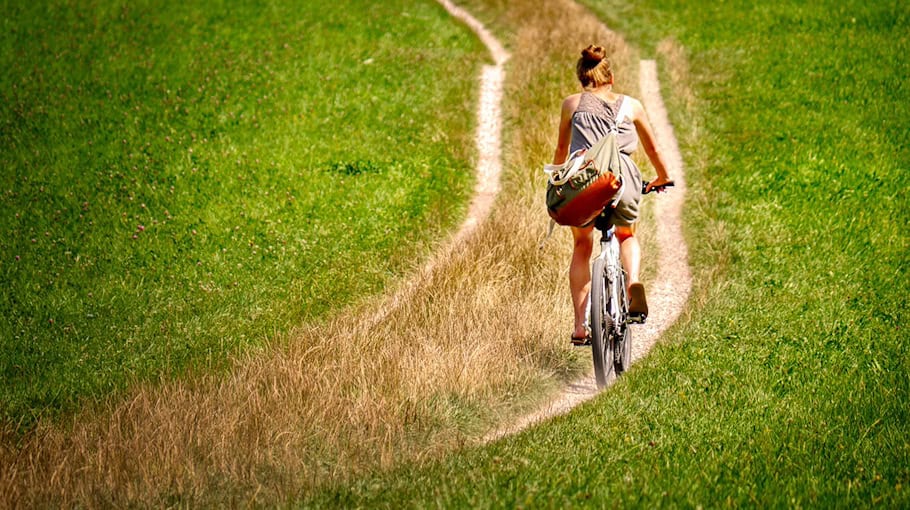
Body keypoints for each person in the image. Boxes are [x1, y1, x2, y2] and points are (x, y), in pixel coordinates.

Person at [551, 44, 673, 343]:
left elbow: (561, 149)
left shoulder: (571, 104)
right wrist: (663, 177)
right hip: (623, 179)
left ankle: (580, 326)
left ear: (582, 78)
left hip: (584, 180)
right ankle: (633, 283)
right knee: (626, 234)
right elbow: (653, 149)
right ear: (611, 78)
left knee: (582, 245)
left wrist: (558, 180)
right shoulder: (632, 106)